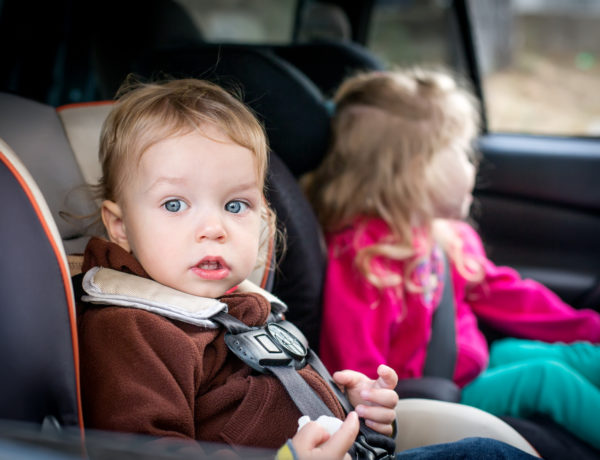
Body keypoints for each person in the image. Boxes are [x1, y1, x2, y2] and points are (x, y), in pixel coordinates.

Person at [74, 77, 539, 459]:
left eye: (236, 205)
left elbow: (282, 400)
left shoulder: (240, 305)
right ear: (120, 227)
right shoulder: (133, 328)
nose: (213, 228)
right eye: (175, 204)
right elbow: (142, 451)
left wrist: (356, 410)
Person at [303, 67, 600, 450]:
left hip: (475, 362)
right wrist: (372, 412)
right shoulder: (364, 260)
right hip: (435, 396)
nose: (472, 163)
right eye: (460, 151)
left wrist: (587, 327)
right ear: (413, 172)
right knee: (547, 378)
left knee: (577, 356)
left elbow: (510, 296)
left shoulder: (444, 236)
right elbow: (355, 366)